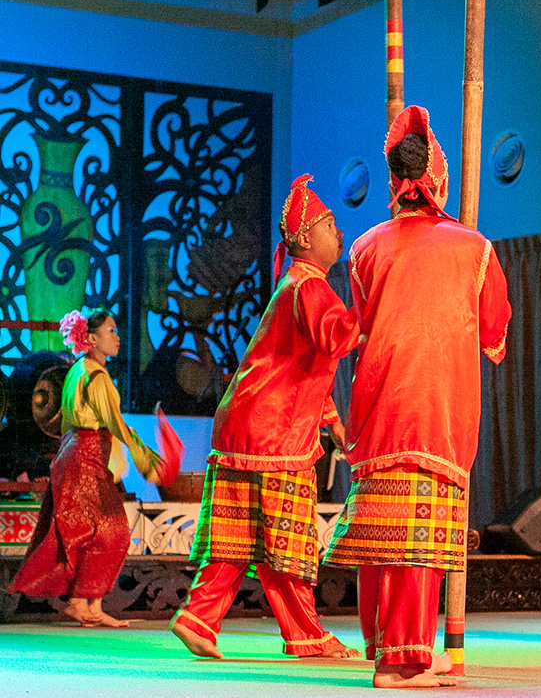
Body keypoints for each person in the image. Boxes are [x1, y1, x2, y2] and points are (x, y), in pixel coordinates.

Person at [322, 105, 511, 688]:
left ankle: (382, 640)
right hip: (435, 403)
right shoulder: (474, 249)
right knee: (418, 535)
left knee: (384, 531)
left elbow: (357, 326)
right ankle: (402, 660)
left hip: (377, 403)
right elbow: (494, 329)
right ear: (437, 178)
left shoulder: (363, 248)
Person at [171, 174, 361, 660]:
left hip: (246, 425)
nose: (338, 233)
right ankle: (305, 635)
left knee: (240, 536)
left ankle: (198, 617)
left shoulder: (292, 286)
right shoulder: (309, 285)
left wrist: (335, 424)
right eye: (329, 224)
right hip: (274, 436)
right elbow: (338, 338)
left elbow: (300, 367)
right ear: (302, 240)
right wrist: (378, 303)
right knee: (287, 543)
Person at [8, 308, 176, 627]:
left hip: (74, 455)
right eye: (111, 331)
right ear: (91, 338)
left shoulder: (76, 370)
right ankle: (88, 603)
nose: (117, 337)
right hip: (84, 459)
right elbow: (117, 425)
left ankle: (83, 604)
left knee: (90, 532)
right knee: (112, 531)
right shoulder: (95, 377)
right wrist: (148, 460)